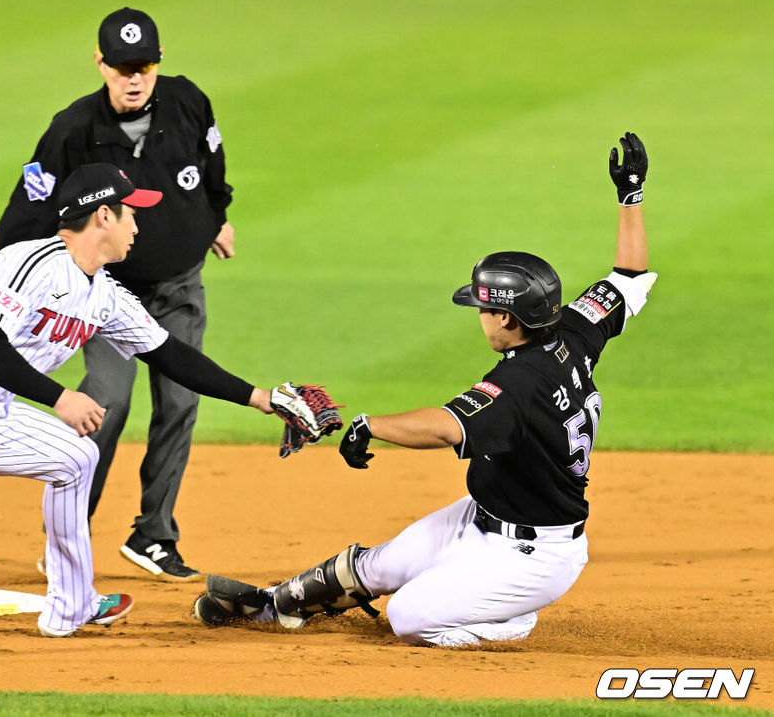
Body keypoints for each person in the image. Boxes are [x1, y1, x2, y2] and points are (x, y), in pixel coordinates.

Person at [192, 133, 656, 648]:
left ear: (506, 316)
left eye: (483, 308)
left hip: (536, 557)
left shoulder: (519, 383)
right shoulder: (572, 330)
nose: (479, 317)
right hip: (485, 516)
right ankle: (275, 604)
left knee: (410, 616)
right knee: (382, 565)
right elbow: (629, 276)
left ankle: (509, 620)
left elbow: (446, 426)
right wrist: (630, 194)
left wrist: (370, 426)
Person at [0, 163, 307, 661]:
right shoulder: (31, 262)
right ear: (103, 215)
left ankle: (72, 606)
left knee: (75, 457)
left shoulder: (103, 293)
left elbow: (169, 354)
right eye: (131, 214)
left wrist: (262, 398)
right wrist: (60, 397)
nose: (138, 226)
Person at [0, 7, 235, 581]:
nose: (134, 77)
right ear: (100, 63)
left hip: (180, 287)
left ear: (159, 62)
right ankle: (66, 539)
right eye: (122, 66)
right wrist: (7, 282)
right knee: (105, 405)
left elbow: (213, 167)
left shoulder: (187, 101)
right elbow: (28, 209)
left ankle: (154, 535)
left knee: (180, 403)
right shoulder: (72, 130)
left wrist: (212, 219)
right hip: (103, 298)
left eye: (144, 65)